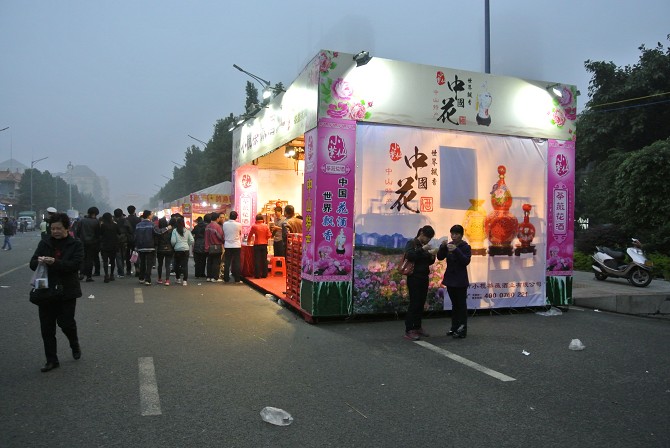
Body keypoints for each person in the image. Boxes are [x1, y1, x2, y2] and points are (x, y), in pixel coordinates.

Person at [29, 212, 84, 372]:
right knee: (47, 328)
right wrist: (39, 262)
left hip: (67, 290)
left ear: (67, 228)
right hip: (45, 290)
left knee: (66, 323)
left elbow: (75, 266)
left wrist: (54, 262)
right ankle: (51, 360)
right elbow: (32, 263)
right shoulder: (45, 243)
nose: (55, 231)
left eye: (59, 228)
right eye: (53, 229)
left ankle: (74, 343)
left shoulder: (75, 244)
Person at [437, 224, 472, 339]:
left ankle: (462, 330)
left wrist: (456, 250)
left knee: (461, 305)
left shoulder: (465, 247)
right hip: (451, 279)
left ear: (461, 235)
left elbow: (465, 261)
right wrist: (442, 247)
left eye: (456, 234)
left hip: (460, 280)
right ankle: (454, 327)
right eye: (452, 234)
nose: (453, 236)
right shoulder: (449, 245)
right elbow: (440, 257)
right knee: (454, 305)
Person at [403, 225, 437, 341]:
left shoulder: (425, 246)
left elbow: (428, 262)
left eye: (430, 238)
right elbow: (410, 256)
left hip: (424, 277)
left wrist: (432, 255)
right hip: (414, 277)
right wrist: (423, 249)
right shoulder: (412, 243)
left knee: (421, 303)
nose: (428, 240)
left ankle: (417, 327)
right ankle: (409, 329)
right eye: (427, 237)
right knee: (414, 303)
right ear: (421, 233)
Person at [134, 210, 171, 286]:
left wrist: (136, 246)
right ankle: (147, 280)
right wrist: (167, 228)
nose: (152, 216)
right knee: (149, 264)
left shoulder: (138, 225)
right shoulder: (152, 224)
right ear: (148, 216)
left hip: (141, 246)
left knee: (142, 263)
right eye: (151, 214)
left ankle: (141, 278)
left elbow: (136, 236)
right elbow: (159, 232)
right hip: (150, 247)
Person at [76, 206, 101, 282]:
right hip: (92, 243)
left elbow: (77, 232)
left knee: (82, 258)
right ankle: (89, 276)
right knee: (90, 259)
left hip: (82, 242)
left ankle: (81, 273)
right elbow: (98, 233)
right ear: (95, 214)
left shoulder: (82, 221)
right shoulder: (96, 222)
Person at [248, 213, 272, 278]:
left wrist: (248, 241)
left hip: (257, 244)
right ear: (262, 219)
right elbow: (269, 235)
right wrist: (265, 239)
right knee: (264, 259)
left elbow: (250, 234)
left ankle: (257, 275)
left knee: (257, 260)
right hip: (264, 244)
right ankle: (264, 274)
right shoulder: (266, 226)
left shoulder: (254, 226)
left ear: (256, 219)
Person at [171, 217, 194, 286]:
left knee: (177, 265)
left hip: (177, 250)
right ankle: (185, 281)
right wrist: (187, 244)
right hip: (185, 250)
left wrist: (174, 246)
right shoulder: (187, 231)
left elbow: (173, 241)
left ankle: (178, 278)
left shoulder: (175, 231)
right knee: (185, 265)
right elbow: (192, 240)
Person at [222, 210, 243, 283]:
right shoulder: (239, 225)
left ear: (229, 216)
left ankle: (226, 278)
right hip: (236, 245)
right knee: (237, 262)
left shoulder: (225, 224)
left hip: (227, 245)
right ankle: (237, 279)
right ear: (236, 217)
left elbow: (224, 233)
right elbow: (240, 233)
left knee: (227, 262)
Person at [99, 212, 119, 283]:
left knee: (105, 261)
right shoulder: (115, 225)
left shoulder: (103, 225)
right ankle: (112, 275)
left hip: (105, 245)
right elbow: (119, 232)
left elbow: (100, 234)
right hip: (113, 245)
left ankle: (106, 275)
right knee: (112, 261)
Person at [204, 212, 225, 282]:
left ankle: (208, 277)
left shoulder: (207, 226)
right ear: (217, 218)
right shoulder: (217, 226)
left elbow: (205, 237)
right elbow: (220, 237)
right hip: (216, 247)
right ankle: (214, 277)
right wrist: (223, 241)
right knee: (216, 262)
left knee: (209, 262)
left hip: (208, 247)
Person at [155, 217, 174, 285]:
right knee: (167, 265)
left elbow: (156, 241)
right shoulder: (170, 231)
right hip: (169, 249)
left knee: (160, 265)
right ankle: (167, 280)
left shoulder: (158, 232)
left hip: (160, 249)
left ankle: (160, 279)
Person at [113, 208, 132, 278]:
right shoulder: (125, 221)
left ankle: (121, 272)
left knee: (118, 257)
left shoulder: (113, 221)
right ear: (121, 214)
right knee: (125, 256)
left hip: (115, 241)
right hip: (125, 241)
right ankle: (128, 270)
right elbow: (130, 230)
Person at [126, 205, 141, 276]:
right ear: (134, 210)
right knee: (136, 254)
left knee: (127, 254)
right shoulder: (138, 219)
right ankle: (137, 268)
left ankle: (128, 270)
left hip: (128, 239)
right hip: (136, 238)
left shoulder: (126, 219)